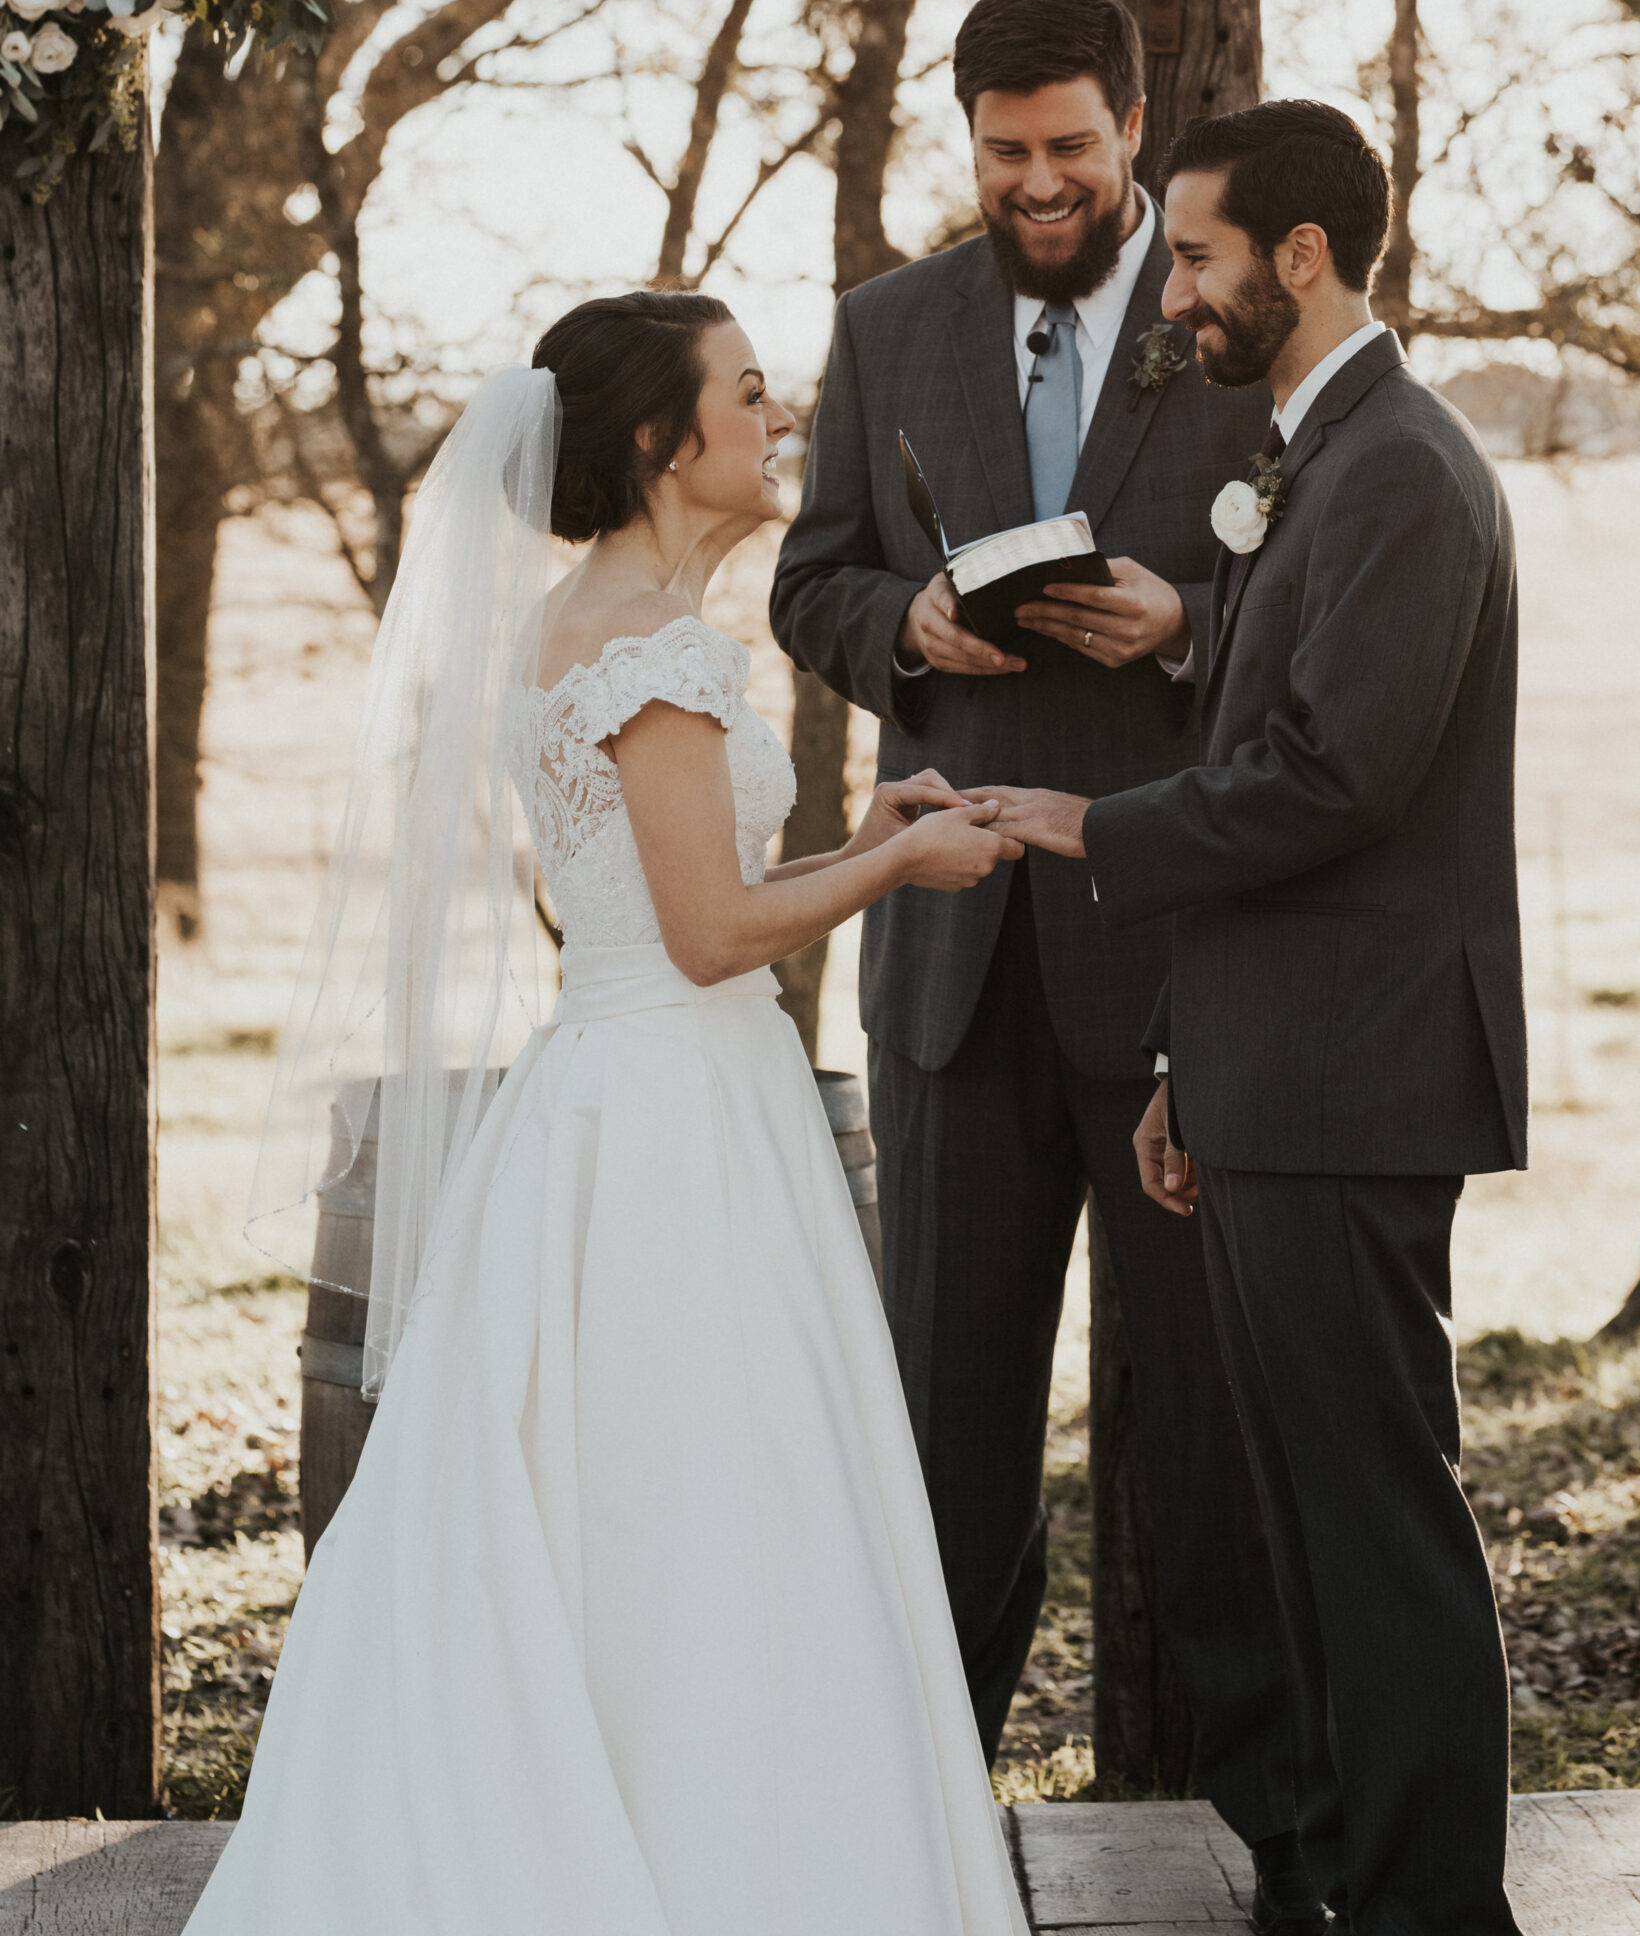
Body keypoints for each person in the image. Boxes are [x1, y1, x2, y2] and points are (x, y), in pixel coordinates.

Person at [185, 291, 1029, 1936]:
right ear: (660, 438)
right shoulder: (650, 646)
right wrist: (899, 866)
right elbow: (712, 939)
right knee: (703, 1513)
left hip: (645, 1081)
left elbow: (672, 904)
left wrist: (859, 830)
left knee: (651, 1508)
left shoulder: (601, 624)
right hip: (673, 1123)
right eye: (750, 395)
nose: (779, 421)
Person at [771, 0, 1311, 1926]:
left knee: (1211, 1446)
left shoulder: (1231, 321)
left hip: (1179, 972)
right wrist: (908, 632)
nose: (1038, 184)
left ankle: (1284, 1852)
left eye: (1070, 149)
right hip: (953, 974)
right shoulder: (883, 325)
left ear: (1131, 130)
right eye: (1002, 155)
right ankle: (905, 1842)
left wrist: (1180, 623)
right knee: (943, 1444)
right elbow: (809, 579)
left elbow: (1309, 613)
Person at [980, 101, 1528, 1936]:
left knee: (1376, 1520)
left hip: (1360, 1075)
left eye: (1202, 257)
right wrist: (1179, 1064)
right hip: (1273, 1066)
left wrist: (1081, 821)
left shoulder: (1399, 468)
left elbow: (1329, 780)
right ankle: (1363, 1885)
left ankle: (1438, 1910)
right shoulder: (1319, 452)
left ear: (1303, 258)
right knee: (1310, 1519)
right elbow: (1276, 710)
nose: (1180, 295)